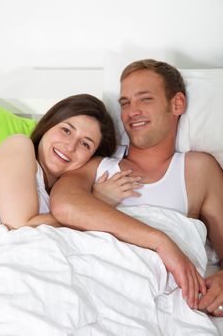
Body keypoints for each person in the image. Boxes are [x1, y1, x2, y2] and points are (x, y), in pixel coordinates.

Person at [49, 60, 221, 313]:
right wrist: (160, 241)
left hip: (150, 299)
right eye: (125, 103)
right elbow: (64, 205)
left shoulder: (198, 170)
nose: (132, 112)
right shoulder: (95, 164)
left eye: (145, 99)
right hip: (81, 287)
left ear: (177, 104)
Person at [0, 93, 127, 229]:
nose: (70, 146)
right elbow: (19, 227)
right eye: (66, 130)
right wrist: (94, 203)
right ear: (48, 125)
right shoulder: (19, 145)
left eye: (85, 144)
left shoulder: (64, 194)